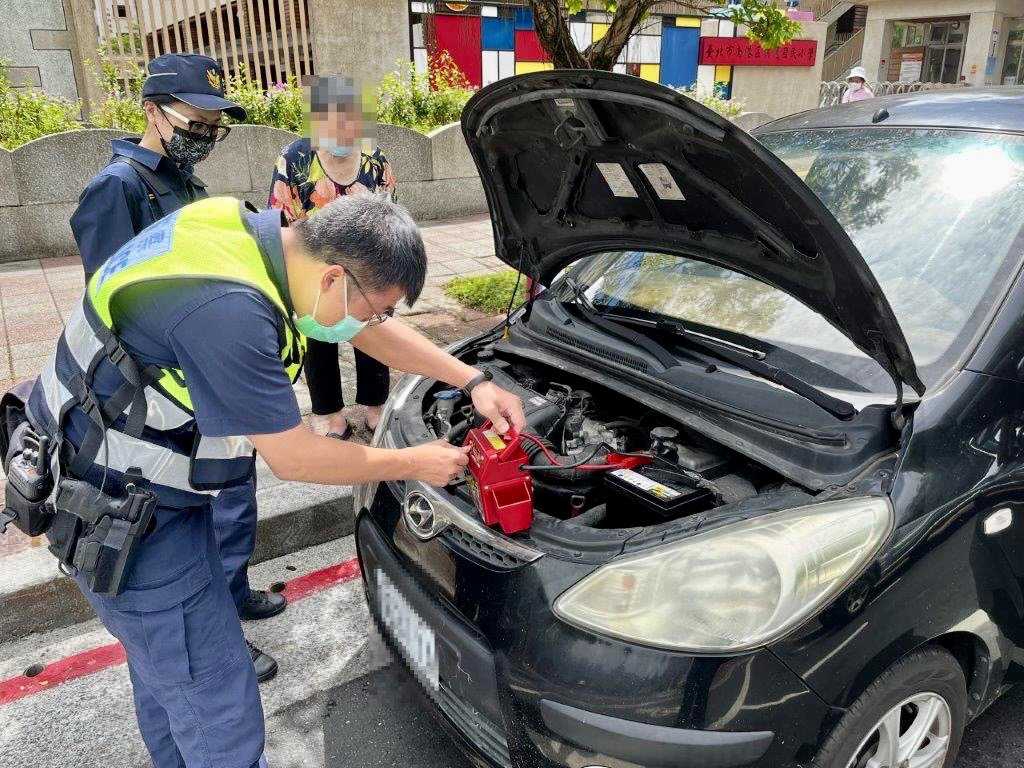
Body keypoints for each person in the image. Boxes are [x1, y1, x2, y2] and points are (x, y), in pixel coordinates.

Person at [23, 192, 525, 768]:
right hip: (122, 519)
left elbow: (359, 330)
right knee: (217, 706)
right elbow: (295, 458)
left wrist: (472, 380)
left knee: (167, 677)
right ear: (334, 276)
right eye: (375, 308)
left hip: (117, 482)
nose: (372, 324)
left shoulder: (251, 239)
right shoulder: (230, 314)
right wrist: (416, 462)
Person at [69, 53, 283, 683]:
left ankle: (235, 592)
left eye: (216, 123)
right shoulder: (119, 187)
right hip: (161, 392)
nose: (208, 133)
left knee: (234, 491)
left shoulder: (184, 183)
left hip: (204, 378)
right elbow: (111, 300)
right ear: (152, 113)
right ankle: (221, 631)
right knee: (201, 512)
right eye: (197, 119)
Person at [269, 76, 397, 439]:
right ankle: (328, 411)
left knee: (373, 328)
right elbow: (281, 219)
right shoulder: (295, 158)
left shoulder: (375, 159)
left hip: (365, 265)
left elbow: (388, 215)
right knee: (318, 336)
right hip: (313, 265)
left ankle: (376, 404)